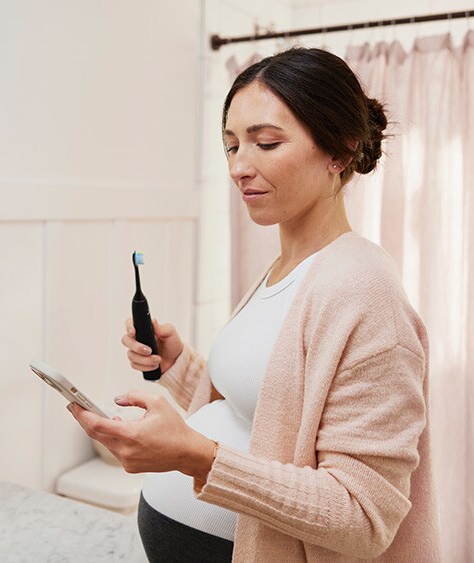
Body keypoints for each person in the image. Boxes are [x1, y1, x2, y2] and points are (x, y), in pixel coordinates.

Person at [69, 48, 441, 562]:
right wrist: (179, 365)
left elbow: (363, 516)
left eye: (265, 143)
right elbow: (261, 412)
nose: (239, 167)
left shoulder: (365, 293)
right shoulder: (285, 267)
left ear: (339, 151)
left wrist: (195, 457)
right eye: (231, 146)